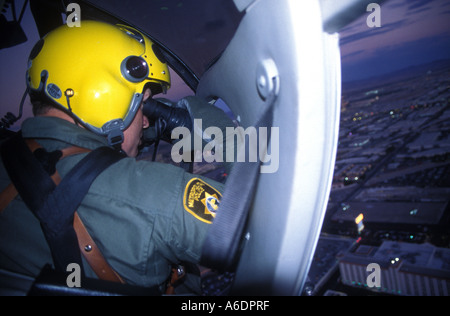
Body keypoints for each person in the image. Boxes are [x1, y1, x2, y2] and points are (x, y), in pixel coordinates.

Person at [0, 20, 235, 294]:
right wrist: (215, 129)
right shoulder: (155, 195)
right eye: (141, 103)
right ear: (105, 101)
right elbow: (268, 231)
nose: (147, 123)